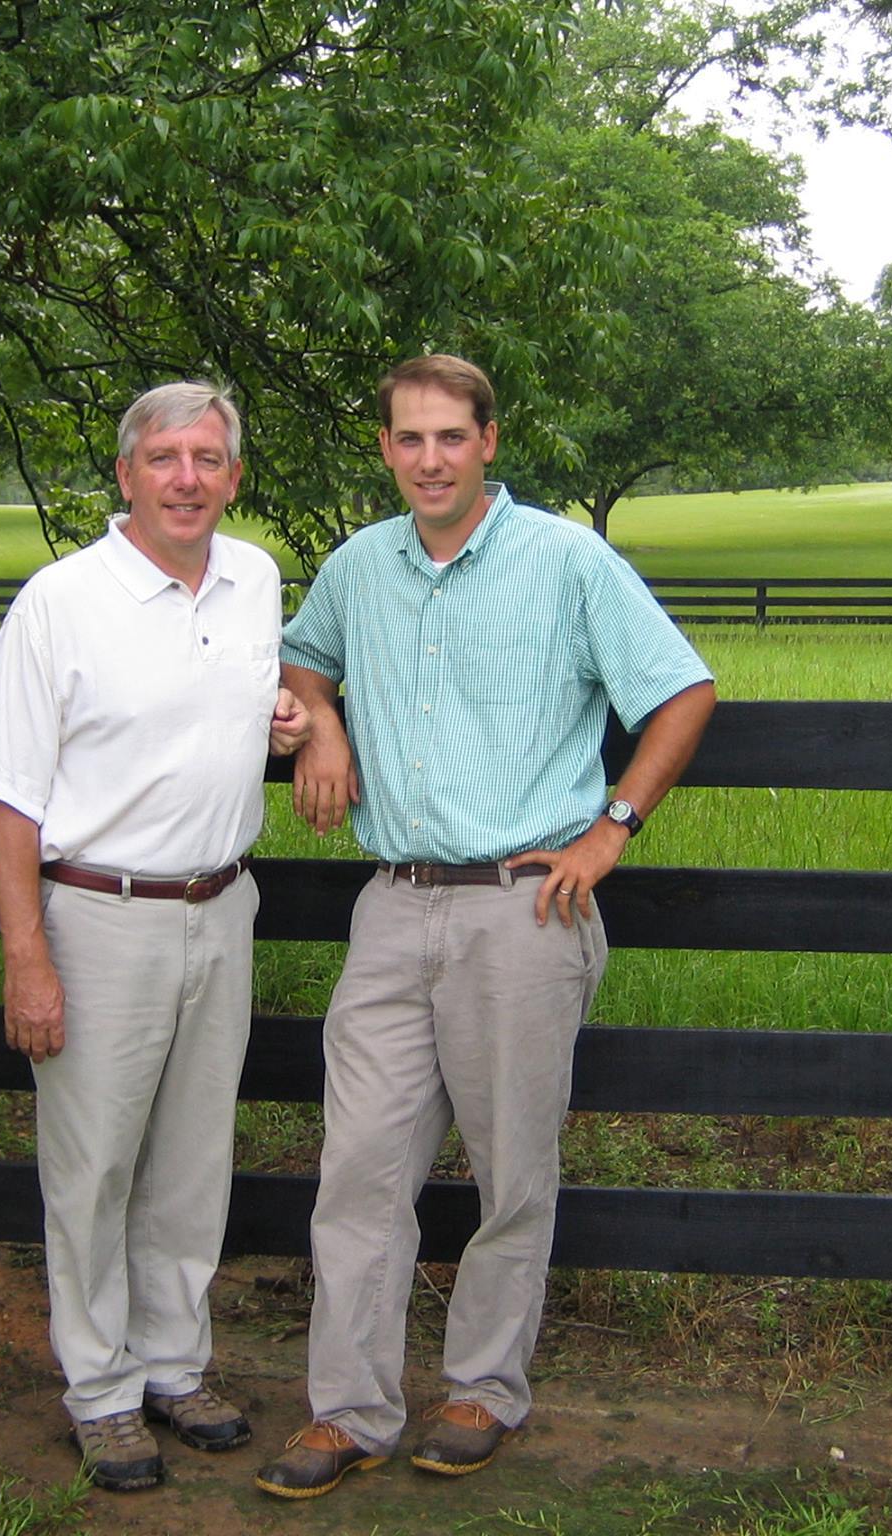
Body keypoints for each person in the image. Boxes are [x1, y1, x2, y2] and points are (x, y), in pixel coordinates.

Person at [253, 354, 716, 1500]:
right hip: (390, 904)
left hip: (525, 904)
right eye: (407, 440)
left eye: (448, 437)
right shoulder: (359, 567)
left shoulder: (565, 561)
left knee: (511, 1167)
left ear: (488, 441)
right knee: (356, 1169)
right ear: (385, 449)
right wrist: (317, 723)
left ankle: (481, 1391)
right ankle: (350, 1410)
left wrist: (612, 827)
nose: (427, 459)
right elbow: (302, 654)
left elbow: (680, 690)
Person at [0, 381, 310, 1493]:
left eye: (208, 459)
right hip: (98, 914)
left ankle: (174, 1362)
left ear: (234, 476)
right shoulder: (59, 601)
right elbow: (7, 797)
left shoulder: (254, 580)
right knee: (94, 1162)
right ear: (125, 475)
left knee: (192, 1157)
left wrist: (298, 717)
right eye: (163, 458)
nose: (186, 479)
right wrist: (28, 957)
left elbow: (266, 690)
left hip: (223, 903)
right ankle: (102, 1392)